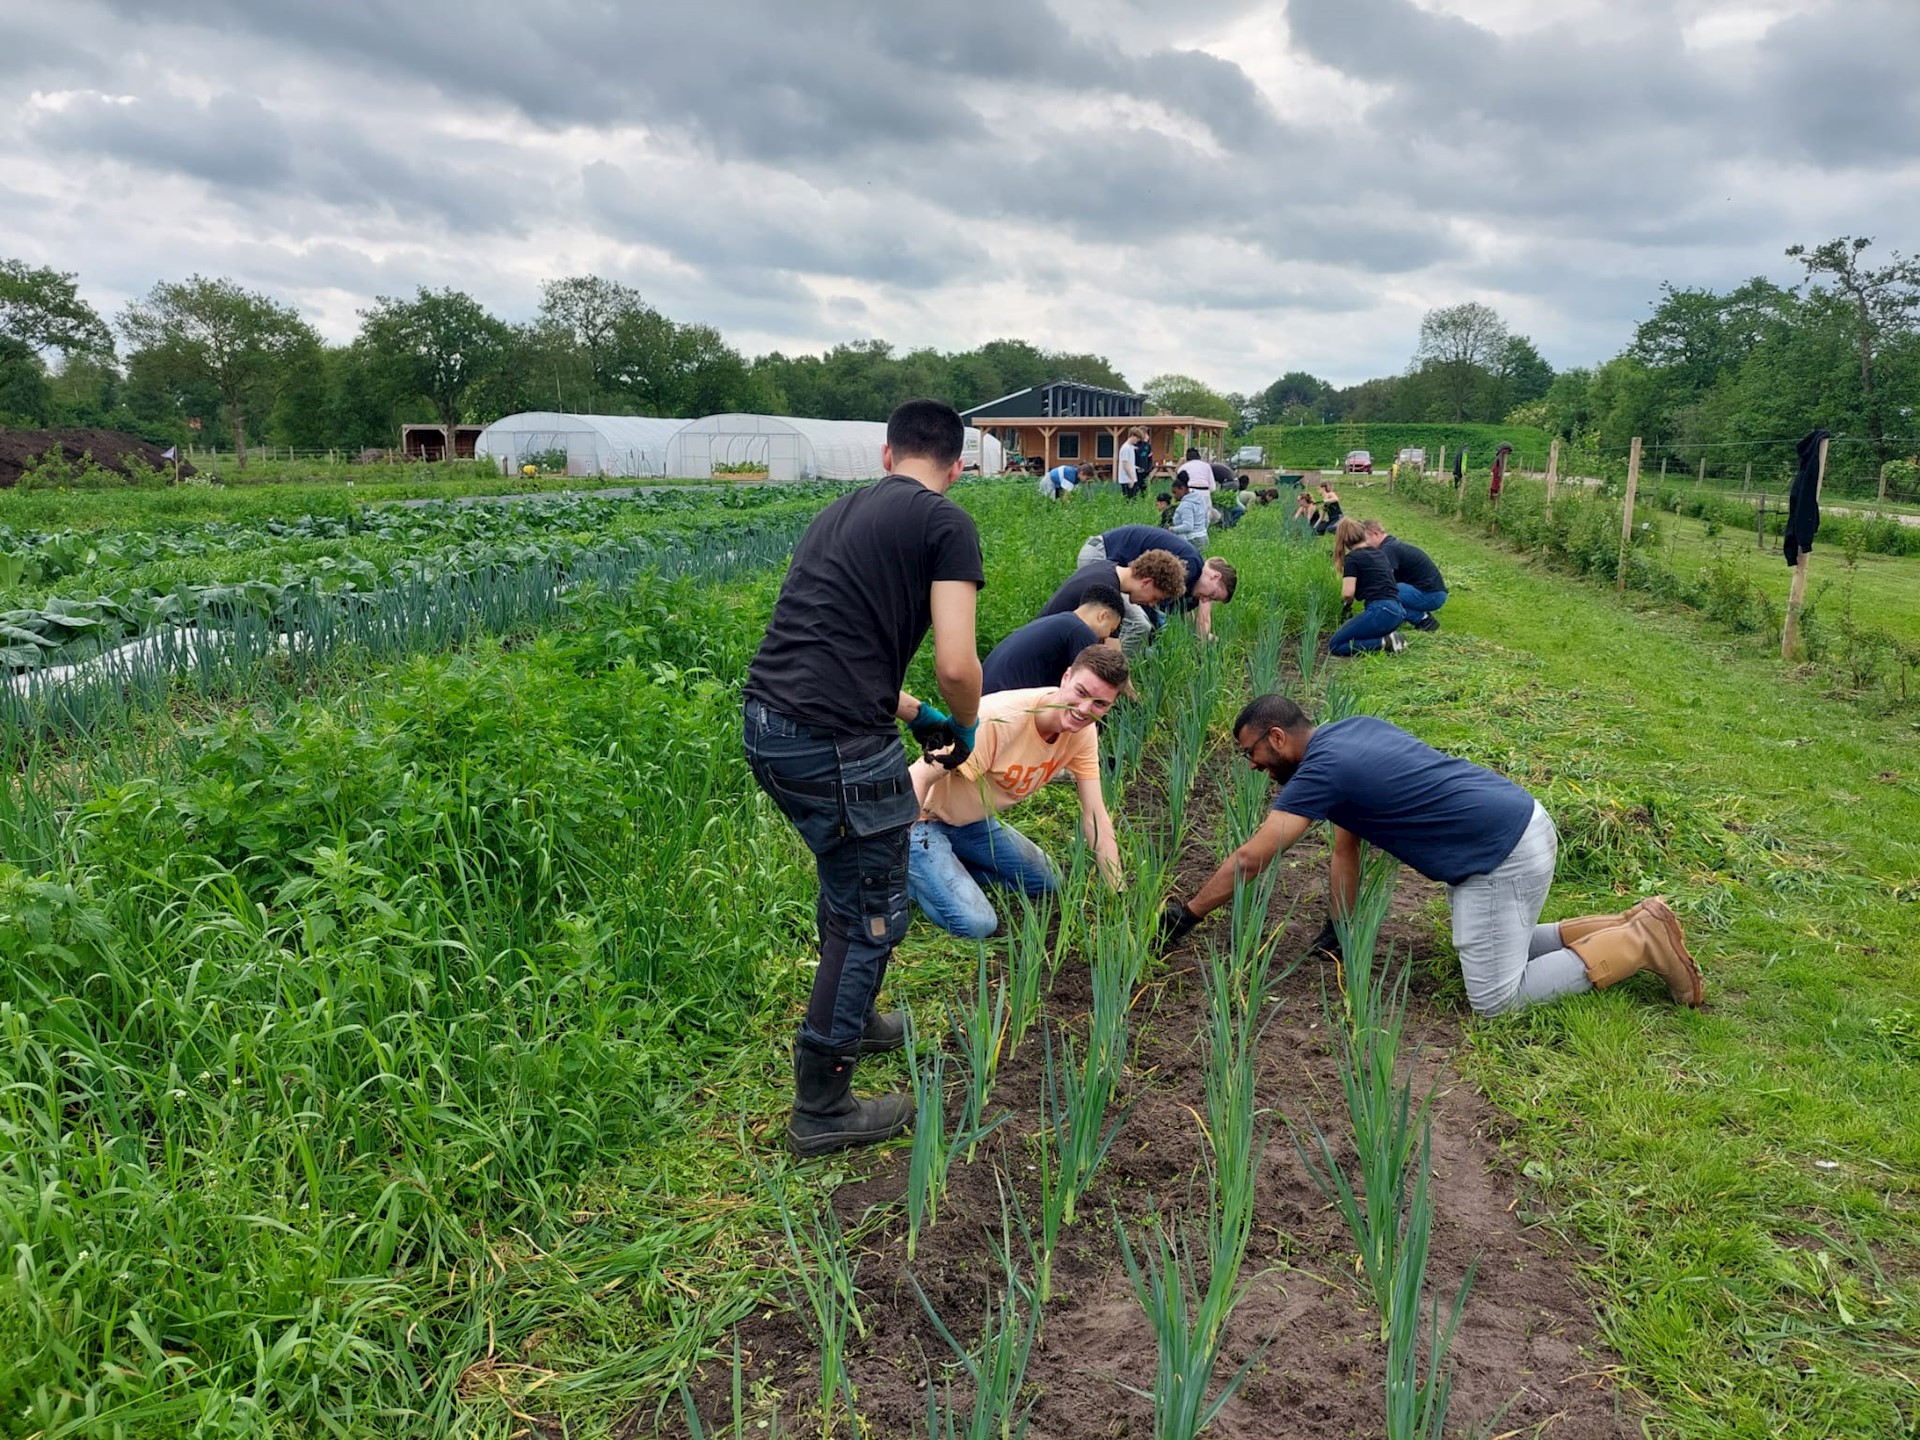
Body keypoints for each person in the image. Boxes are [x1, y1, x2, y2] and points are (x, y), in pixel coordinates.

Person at [742, 398, 985, 1158]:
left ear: (886, 457)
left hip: (770, 724)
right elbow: (956, 663)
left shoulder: (837, 513)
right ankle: (823, 1105)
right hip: (835, 740)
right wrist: (966, 721)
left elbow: (835, 644)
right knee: (873, 909)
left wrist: (916, 716)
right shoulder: (947, 524)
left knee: (846, 879)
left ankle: (858, 1017)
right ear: (956, 466)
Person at [1157, 695, 1705, 1017]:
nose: (1252, 765)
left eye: (1250, 752)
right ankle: (1626, 922)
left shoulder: (1321, 770)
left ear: (1276, 737)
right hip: (1515, 823)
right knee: (1498, 947)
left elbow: (1253, 859)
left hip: (1499, 854)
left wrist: (1187, 915)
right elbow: (1346, 848)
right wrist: (1340, 929)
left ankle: (1636, 943)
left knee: (1494, 999)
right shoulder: (1349, 732)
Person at [906, 646, 1129, 938]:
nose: (1085, 710)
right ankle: (909, 879)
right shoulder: (998, 720)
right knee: (977, 924)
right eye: (1081, 692)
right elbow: (917, 776)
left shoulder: (1082, 733)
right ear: (1066, 677)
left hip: (971, 823)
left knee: (1048, 881)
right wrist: (895, 848)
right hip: (923, 823)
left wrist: (1118, 892)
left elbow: (1095, 814)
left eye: (1100, 703)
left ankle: (947, 870)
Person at [1074, 524, 1236, 640]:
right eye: (1212, 594)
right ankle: (1117, 675)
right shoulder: (1190, 566)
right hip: (1101, 555)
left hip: (1110, 562)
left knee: (1120, 623)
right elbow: (1148, 599)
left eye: (1211, 600)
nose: (1205, 600)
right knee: (1138, 624)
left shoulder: (1193, 577)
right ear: (1215, 576)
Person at [1038, 543, 1187, 656]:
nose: (1152, 604)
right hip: (1044, 657)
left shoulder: (1108, 569)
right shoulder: (1106, 593)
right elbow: (1108, 656)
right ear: (1146, 582)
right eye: (1155, 598)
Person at [981, 582, 1124, 693]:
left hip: (986, 694)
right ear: (1103, 616)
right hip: (1004, 702)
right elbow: (1089, 687)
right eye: (1110, 630)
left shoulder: (1059, 622)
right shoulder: (1081, 631)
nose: (1106, 637)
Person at [1328, 516, 1407, 656]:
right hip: (1397, 611)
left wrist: (1347, 607)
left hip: (1381, 610)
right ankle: (1390, 639)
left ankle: (1384, 642)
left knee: (1335, 645)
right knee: (1356, 635)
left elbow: (1347, 593)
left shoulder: (1353, 558)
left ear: (1344, 540)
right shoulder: (1379, 553)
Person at [1361, 519, 1448, 632]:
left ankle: (1423, 619)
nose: (1364, 545)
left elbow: (1383, 580)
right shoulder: (1391, 545)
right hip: (1433, 593)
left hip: (1431, 595)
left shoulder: (1388, 549)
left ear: (1375, 534)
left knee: (1381, 596)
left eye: (1365, 540)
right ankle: (1419, 617)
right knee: (1381, 596)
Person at [1167, 474, 1210, 546]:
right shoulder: (1200, 499)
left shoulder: (1186, 505)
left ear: (1182, 488)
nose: (1174, 496)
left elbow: (1188, 526)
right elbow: (1206, 520)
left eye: (1175, 492)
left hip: (1191, 540)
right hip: (1204, 538)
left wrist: (1172, 529)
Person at [1115, 429, 1140, 499]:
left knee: (1134, 500)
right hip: (1127, 479)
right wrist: (1131, 478)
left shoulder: (1131, 447)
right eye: (1137, 438)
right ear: (1132, 436)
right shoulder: (1125, 448)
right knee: (1129, 500)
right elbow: (1125, 465)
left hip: (1132, 478)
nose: (1137, 440)